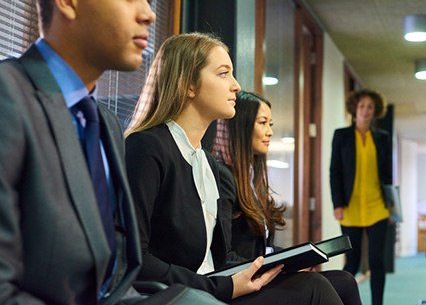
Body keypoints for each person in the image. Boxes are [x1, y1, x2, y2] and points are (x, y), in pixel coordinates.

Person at [0, 0, 222, 303]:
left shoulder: (106, 123)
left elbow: (113, 277)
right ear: (68, 0)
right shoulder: (8, 96)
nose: (148, 14)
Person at [124, 32, 343, 304]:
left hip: (212, 286)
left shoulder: (207, 163)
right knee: (313, 288)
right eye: (224, 74)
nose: (237, 86)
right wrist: (220, 287)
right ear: (188, 85)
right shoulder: (147, 147)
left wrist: (277, 264)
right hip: (182, 294)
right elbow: (134, 259)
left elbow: (220, 256)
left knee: (340, 282)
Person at [212, 91, 362, 305]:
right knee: (315, 285)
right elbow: (224, 257)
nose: (270, 132)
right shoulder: (225, 177)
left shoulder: (252, 179)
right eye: (262, 123)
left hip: (260, 274)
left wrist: (296, 259)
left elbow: (263, 250)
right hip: (241, 283)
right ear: (242, 127)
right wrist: (278, 268)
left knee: (345, 281)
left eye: (270, 124)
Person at [329, 89, 392, 305]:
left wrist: (392, 208)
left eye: (370, 107)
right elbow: (334, 172)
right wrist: (337, 204)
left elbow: (388, 175)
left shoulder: (382, 138)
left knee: (377, 261)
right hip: (350, 208)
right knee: (352, 263)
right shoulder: (342, 135)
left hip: (378, 208)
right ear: (355, 108)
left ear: (376, 111)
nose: (366, 110)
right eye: (362, 105)